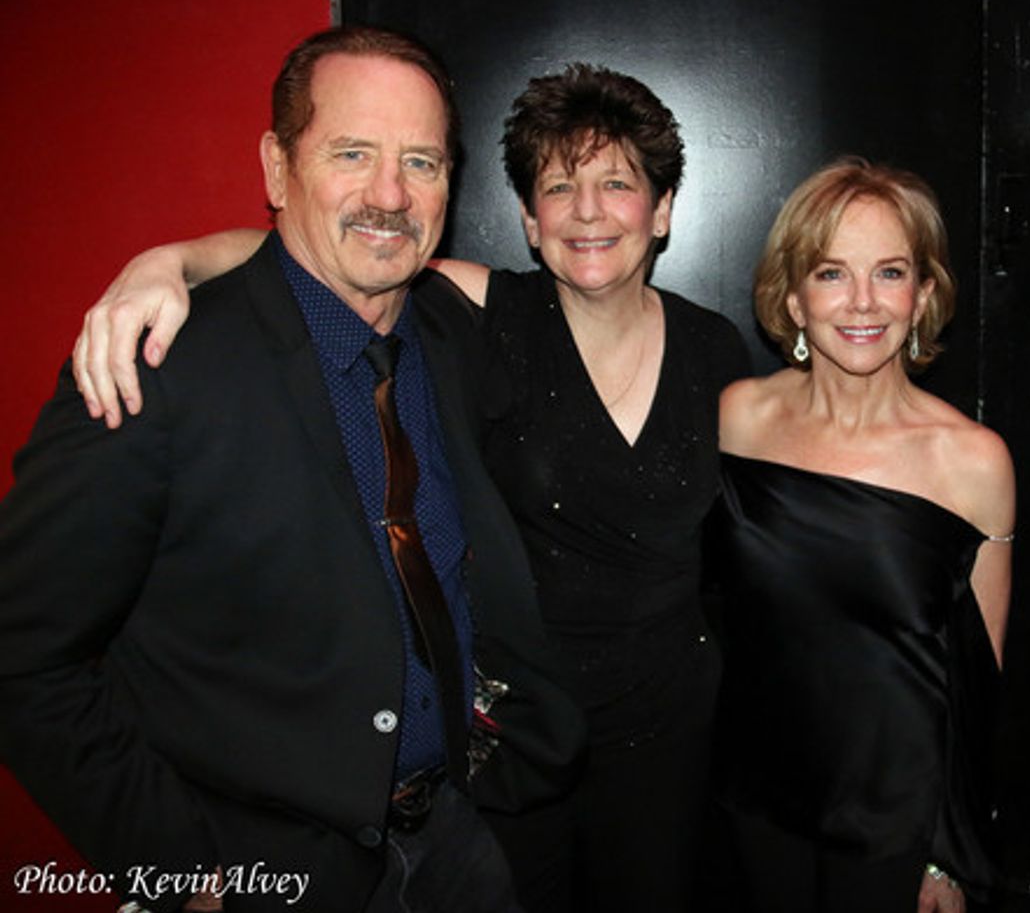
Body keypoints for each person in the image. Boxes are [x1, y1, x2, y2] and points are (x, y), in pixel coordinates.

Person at [69, 64, 750, 913]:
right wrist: (165, 262)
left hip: (666, 735)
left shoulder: (716, 351)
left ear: (663, 209)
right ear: (531, 223)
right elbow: (326, 250)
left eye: (617, 183)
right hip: (515, 735)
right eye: (558, 187)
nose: (587, 210)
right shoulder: (477, 310)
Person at [0, 26, 588, 913]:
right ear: (278, 168)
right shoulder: (153, 367)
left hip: (461, 846)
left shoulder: (453, 338)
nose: (389, 194)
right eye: (352, 152)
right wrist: (179, 873)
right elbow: (21, 653)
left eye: (421, 162)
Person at [710, 158, 1015, 912]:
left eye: (889, 272)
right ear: (791, 294)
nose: (862, 302)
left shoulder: (972, 460)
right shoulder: (740, 417)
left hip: (895, 836)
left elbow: (979, 690)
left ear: (925, 292)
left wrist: (949, 856)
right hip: (750, 808)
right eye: (831, 273)